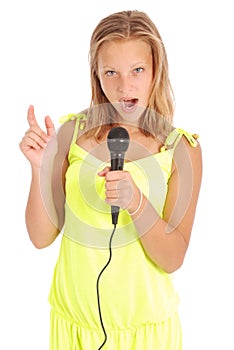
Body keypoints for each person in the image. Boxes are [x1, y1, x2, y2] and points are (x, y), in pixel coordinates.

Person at [19, 10, 202, 350]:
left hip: (146, 335)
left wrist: (136, 203)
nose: (124, 86)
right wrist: (39, 169)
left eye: (137, 70)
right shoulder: (72, 132)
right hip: (73, 328)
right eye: (111, 72)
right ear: (97, 75)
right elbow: (41, 238)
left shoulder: (180, 149)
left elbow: (173, 258)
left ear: (155, 71)